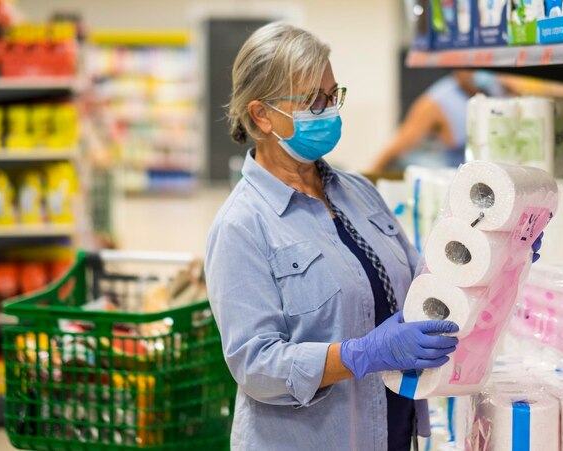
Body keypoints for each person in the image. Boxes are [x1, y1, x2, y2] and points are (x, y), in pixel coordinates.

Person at [205, 23, 543, 451]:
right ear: (261, 115)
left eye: (332, 95)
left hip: (391, 432)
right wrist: (358, 354)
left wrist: (502, 252)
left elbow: (427, 281)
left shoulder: (357, 192)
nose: (329, 111)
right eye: (312, 101)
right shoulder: (242, 225)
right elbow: (255, 365)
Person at [369, 70, 505, 172]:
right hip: (458, 181)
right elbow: (397, 147)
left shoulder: (495, 89)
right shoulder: (436, 102)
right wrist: (369, 180)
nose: (477, 70)